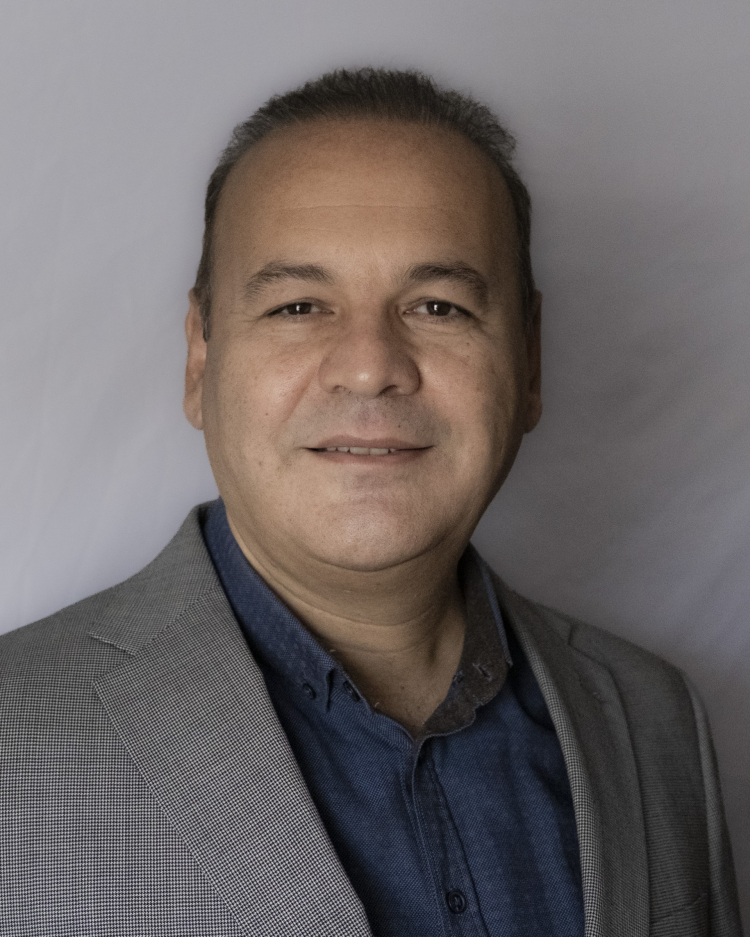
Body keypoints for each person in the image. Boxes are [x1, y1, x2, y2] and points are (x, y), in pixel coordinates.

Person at [0, 68, 741, 937]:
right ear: (200, 358)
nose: (369, 366)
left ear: (530, 361)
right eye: (298, 305)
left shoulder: (655, 718)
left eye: (438, 306)